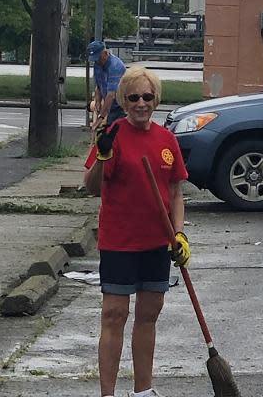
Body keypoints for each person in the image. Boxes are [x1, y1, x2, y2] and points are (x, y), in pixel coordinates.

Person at [84, 66, 191, 397]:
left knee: (148, 317)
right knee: (114, 316)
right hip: (119, 242)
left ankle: (143, 391)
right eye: (133, 97)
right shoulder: (112, 135)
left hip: (157, 244)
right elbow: (91, 187)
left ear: (155, 99)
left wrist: (179, 234)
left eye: (147, 96)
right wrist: (102, 156)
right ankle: (108, 394)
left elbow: (175, 193)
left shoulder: (166, 140)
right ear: (124, 100)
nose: (141, 103)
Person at [87, 40, 126, 140]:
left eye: (98, 58)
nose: (96, 61)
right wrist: (98, 101)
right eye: (94, 59)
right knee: (106, 135)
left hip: (121, 107)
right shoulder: (98, 65)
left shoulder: (115, 66)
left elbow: (111, 95)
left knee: (112, 135)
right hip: (109, 106)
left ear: (105, 53)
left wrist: (100, 118)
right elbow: (99, 86)